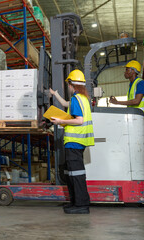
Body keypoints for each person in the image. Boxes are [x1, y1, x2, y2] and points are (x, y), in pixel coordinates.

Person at [49, 69, 94, 214]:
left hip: (74, 142)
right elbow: (66, 104)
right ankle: (76, 202)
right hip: (77, 143)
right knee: (72, 173)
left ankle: (81, 205)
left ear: (71, 84)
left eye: (68, 84)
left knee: (76, 174)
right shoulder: (82, 98)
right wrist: (55, 94)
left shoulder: (76, 99)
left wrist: (60, 121)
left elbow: (79, 120)